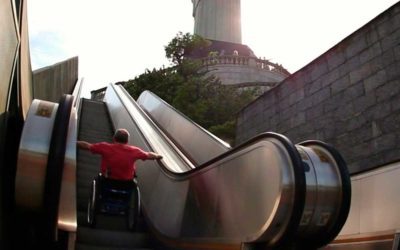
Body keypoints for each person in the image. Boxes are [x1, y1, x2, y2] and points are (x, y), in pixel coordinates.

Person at [77, 128, 162, 181]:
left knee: (98, 179)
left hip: (107, 180)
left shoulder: (105, 147)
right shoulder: (134, 151)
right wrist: (158, 156)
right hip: (126, 183)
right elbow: (149, 155)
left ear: (114, 138)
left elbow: (87, 146)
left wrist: (74, 142)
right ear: (127, 141)